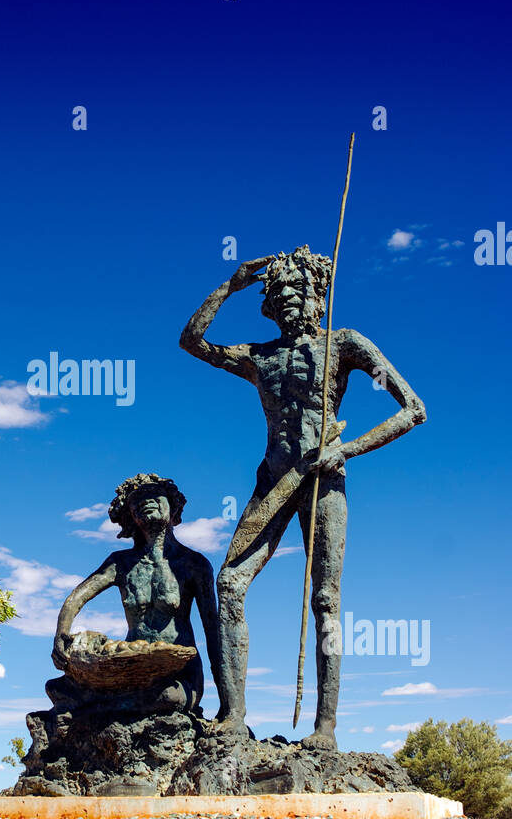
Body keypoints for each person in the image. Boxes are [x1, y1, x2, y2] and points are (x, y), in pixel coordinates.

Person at [179, 245, 426, 748]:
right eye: (278, 294)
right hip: (273, 482)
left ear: (317, 296)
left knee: (326, 599)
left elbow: (413, 409)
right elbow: (192, 341)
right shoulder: (259, 357)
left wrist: (346, 451)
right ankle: (232, 715)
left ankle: (325, 727)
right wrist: (231, 285)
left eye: (298, 291)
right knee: (229, 583)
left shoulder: (346, 344)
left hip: (323, 481)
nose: (288, 300)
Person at [49, 473, 220, 715]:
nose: (146, 500)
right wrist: (60, 635)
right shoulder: (120, 563)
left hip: (179, 672)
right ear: (129, 515)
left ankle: (94, 710)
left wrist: (230, 706)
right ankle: (103, 706)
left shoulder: (194, 564)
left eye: (155, 494)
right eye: (137, 499)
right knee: (57, 687)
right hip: (130, 670)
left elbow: (214, 633)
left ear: (173, 507)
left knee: (167, 698)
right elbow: (77, 597)